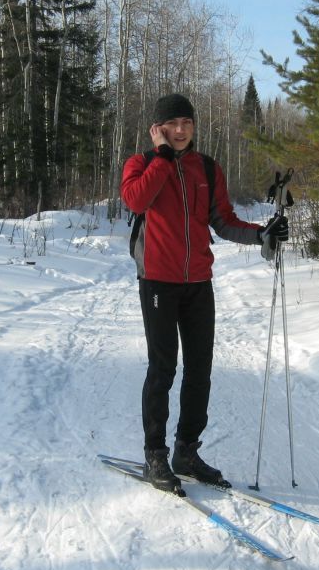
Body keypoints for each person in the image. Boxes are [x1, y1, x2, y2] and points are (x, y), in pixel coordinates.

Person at [120, 93, 290, 495]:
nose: (181, 131)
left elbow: (224, 221)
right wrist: (161, 158)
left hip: (198, 282)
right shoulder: (141, 165)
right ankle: (156, 454)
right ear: (159, 128)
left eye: (187, 124)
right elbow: (136, 199)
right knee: (162, 369)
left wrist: (261, 233)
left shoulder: (208, 169)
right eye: (173, 124)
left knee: (200, 371)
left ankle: (186, 451)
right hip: (158, 281)